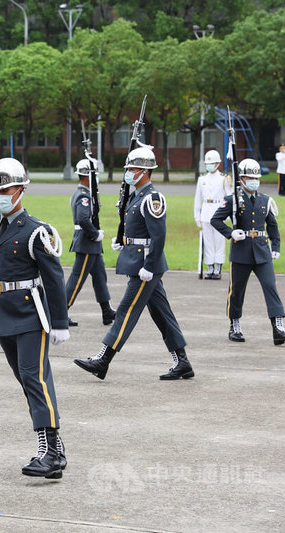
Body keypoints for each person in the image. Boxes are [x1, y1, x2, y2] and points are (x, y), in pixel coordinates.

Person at [0, 157, 70, 479]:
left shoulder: (36, 231)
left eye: (6, 189)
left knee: (34, 378)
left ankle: (50, 451)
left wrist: (60, 323)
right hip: (3, 315)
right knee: (27, 381)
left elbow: (54, 279)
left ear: (20, 190)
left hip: (31, 315)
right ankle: (53, 446)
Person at [74, 146, 193, 381]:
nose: (128, 172)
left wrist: (149, 266)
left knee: (126, 311)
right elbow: (132, 224)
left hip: (145, 266)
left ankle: (103, 359)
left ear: (145, 171)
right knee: (163, 315)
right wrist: (122, 240)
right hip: (137, 261)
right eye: (128, 168)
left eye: (133, 168)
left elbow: (158, 237)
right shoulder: (136, 195)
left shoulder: (153, 198)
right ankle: (183, 362)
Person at [209, 158, 285, 345]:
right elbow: (215, 220)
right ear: (242, 178)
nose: (254, 181)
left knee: (270, 286)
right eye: (250, 177)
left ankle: (278, 327)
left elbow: (272, 225)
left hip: (262, 251)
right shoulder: (232, 200)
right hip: (241, 251)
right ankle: (235, 325)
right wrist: (231, 233)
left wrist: (276, 246)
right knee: (237, 291)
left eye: (257, 177)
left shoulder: (265, 200)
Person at [65, 159, 116, 326]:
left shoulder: (85, 193)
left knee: (100, 277)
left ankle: (106, 310)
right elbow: (83, 219)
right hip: (87, 242)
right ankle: (60, 313)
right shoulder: (83, 195)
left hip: (92, 245)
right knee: (77, 280)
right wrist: (95, 234)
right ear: (88, 176)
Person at [193, 149, 230, 280]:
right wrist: (197, 217)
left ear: (217, 164)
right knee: (208, 242)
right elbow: (198, 199)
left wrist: (228, 215)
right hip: (205, 213)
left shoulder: (224, 179)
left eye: (211, 163)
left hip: (219, 212)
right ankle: (210, 268)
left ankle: (218, 268)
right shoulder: (202, 179)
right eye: (207, 163)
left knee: (219, 241)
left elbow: (228, 197)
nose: (209, 165)